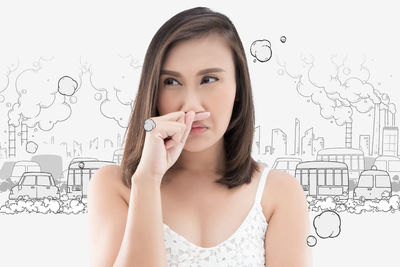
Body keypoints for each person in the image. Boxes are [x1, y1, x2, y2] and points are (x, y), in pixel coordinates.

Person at [88, 6, 312, 267]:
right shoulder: (117, 186)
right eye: (171, 82)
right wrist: (148, 181)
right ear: (153, 90)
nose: (191, 106)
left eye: (208, 79)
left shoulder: (278, 193)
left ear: (238, 87)